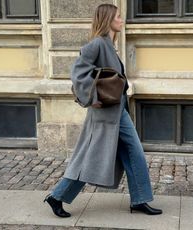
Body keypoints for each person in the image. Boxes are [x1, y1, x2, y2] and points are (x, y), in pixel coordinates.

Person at [44, 3, 162, 217]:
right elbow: (78, 74)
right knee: (100, 156)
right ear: (108, 19)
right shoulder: (97, 44)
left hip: (117, 111)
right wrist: (93, 98)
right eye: (118, 16)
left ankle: (139, 200)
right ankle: (56, 196)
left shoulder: (108, 44)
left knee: (129, 152)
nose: (121, 20)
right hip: (105, 113)